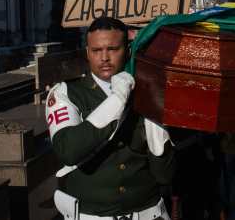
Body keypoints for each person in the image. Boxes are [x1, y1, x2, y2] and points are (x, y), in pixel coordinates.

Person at [46, 17, 174, 219]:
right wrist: (116, 100)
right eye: (96, 50)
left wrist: (159, 135)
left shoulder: (147, 92)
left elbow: (164, 175)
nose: (104, 57)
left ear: (128, 50)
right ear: (87, 53)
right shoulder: (66, 93)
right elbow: (68, 151)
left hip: (148, 213)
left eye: (113, 49)